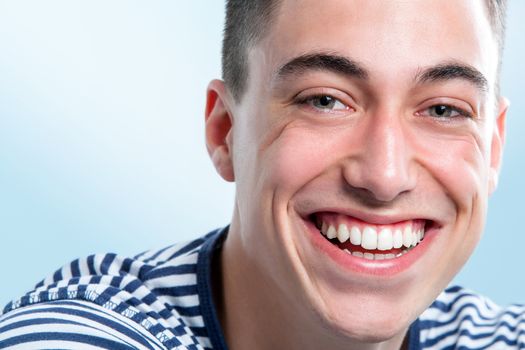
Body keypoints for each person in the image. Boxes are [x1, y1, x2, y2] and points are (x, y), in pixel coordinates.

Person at [0, 0, 522, 349]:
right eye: (325, 100)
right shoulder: (79, 335)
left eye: (444, 110)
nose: (384, 176)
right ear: (224, 130)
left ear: (493, 147)